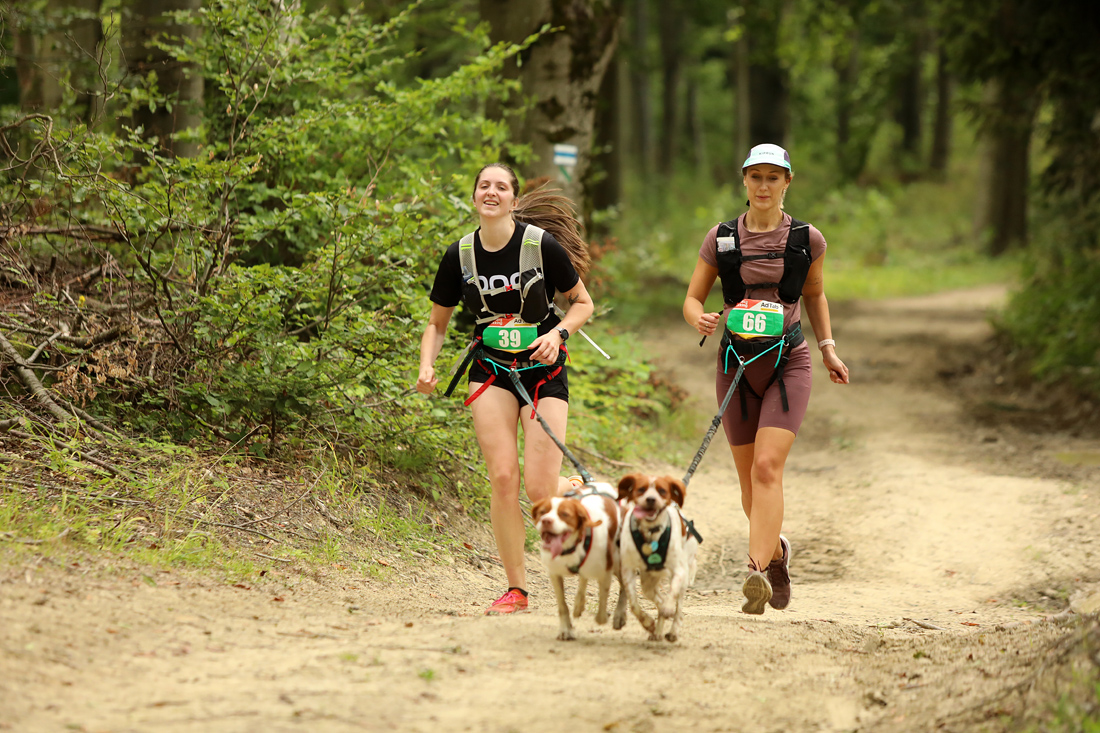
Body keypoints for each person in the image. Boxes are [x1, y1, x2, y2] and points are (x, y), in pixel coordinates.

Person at [416, 163, 594, 615]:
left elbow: (582, 303)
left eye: (501, 187)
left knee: (539, 489)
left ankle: (571, 489)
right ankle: (517, 589)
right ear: (474, 197)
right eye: (484, 186)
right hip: (490, 370)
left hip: (542, 371)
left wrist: (558, 334)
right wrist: (427, 365)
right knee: (502, 478)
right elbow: (437, 323)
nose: (491, 192)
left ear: (514, 199)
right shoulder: (459, 255)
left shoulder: (540, 245)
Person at [682, 143, 849, 614]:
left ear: (787, 182)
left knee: (766, 468)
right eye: (755, 176)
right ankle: (776, 554)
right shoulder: (721, 238)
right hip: (735, 365)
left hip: (788, 362)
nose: (763, 185)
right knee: (749, 488)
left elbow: (815, 295)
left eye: (773, 177)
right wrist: (699, 318)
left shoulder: (807, 238)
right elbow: (692, 299)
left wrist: (828, 348)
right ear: (744, 179)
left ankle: (755, 574)